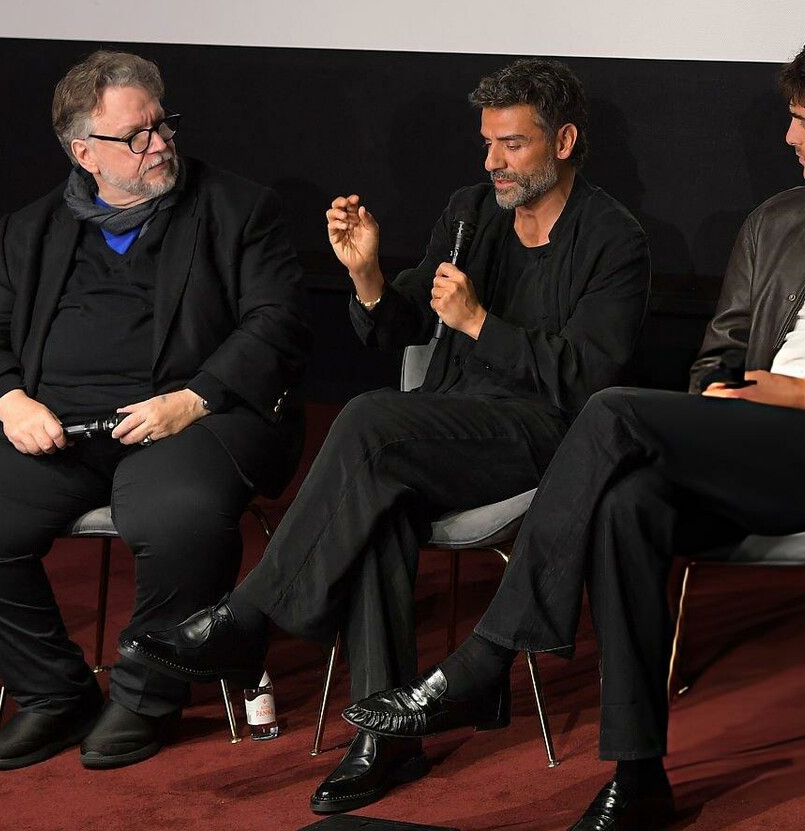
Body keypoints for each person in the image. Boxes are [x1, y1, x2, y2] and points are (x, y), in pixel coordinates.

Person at [340, 31, 805, 831]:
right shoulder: (778, 221)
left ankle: (488, 658)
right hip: (753, 440)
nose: (788, 136)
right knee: (628, 504)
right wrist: (721, 400)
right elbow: (716, 355)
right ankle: (639, 777)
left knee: (611, 409)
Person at [121, 58, 651, 815]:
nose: (493, 162)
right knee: (377, 504)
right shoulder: (472, 211)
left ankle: (251, 618)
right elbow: (403, 321)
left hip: (546, 439)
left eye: (512, 144)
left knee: (371, 421)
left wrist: (481, 325)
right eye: (488, 143)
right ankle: (383, 737)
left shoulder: (613, 237)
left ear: (563, 142)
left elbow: (590, 377)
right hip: (447, 425)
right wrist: (368, 276)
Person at [0, 50, 309, 772]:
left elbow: (278, 323)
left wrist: (192, 400)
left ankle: (145, 696)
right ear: (85, 152)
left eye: (162, 124)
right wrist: (11, 403)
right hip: (59, 424)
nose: (159, 143)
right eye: (136, 135)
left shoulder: (237, 209)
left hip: (191, 416)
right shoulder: (30, 229)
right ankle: (52, 694)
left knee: (178, 514)